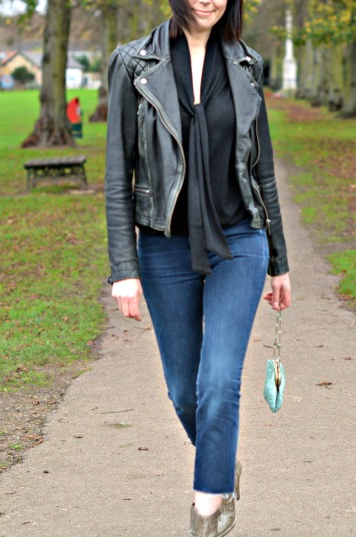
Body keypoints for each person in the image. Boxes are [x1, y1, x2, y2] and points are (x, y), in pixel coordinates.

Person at [104, 0, 291, 535]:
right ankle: (219, 457)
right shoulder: (134, 63)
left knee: (217, 384)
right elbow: (120, 174)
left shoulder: (248, 64)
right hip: (165, 246)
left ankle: (207, 513)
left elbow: (265, 172)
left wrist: (279, 261)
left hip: (240, 240)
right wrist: (124, 267)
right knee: (185, 391)